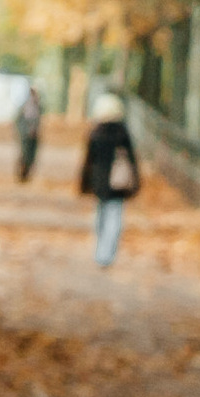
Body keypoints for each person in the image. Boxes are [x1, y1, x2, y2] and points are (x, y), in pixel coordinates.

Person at [80, 91, 139, 267]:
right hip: (118, 183)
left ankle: (101, 252)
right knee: (114, 219)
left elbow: (88, 162)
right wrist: (134, 181)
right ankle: (106, 254)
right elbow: (131, 160)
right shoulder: (123, 133)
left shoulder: (95, 133)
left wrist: (85, 183)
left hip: (99, 183)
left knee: (101, 218)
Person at [14, 80, 44, 184]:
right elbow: (19, 121)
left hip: (33, 135)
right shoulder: (26, 106)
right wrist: (25, 131)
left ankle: (26, 174)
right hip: (26, 134)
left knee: (31, 155)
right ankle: (22, 174)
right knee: (25, 154)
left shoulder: (38, 106)